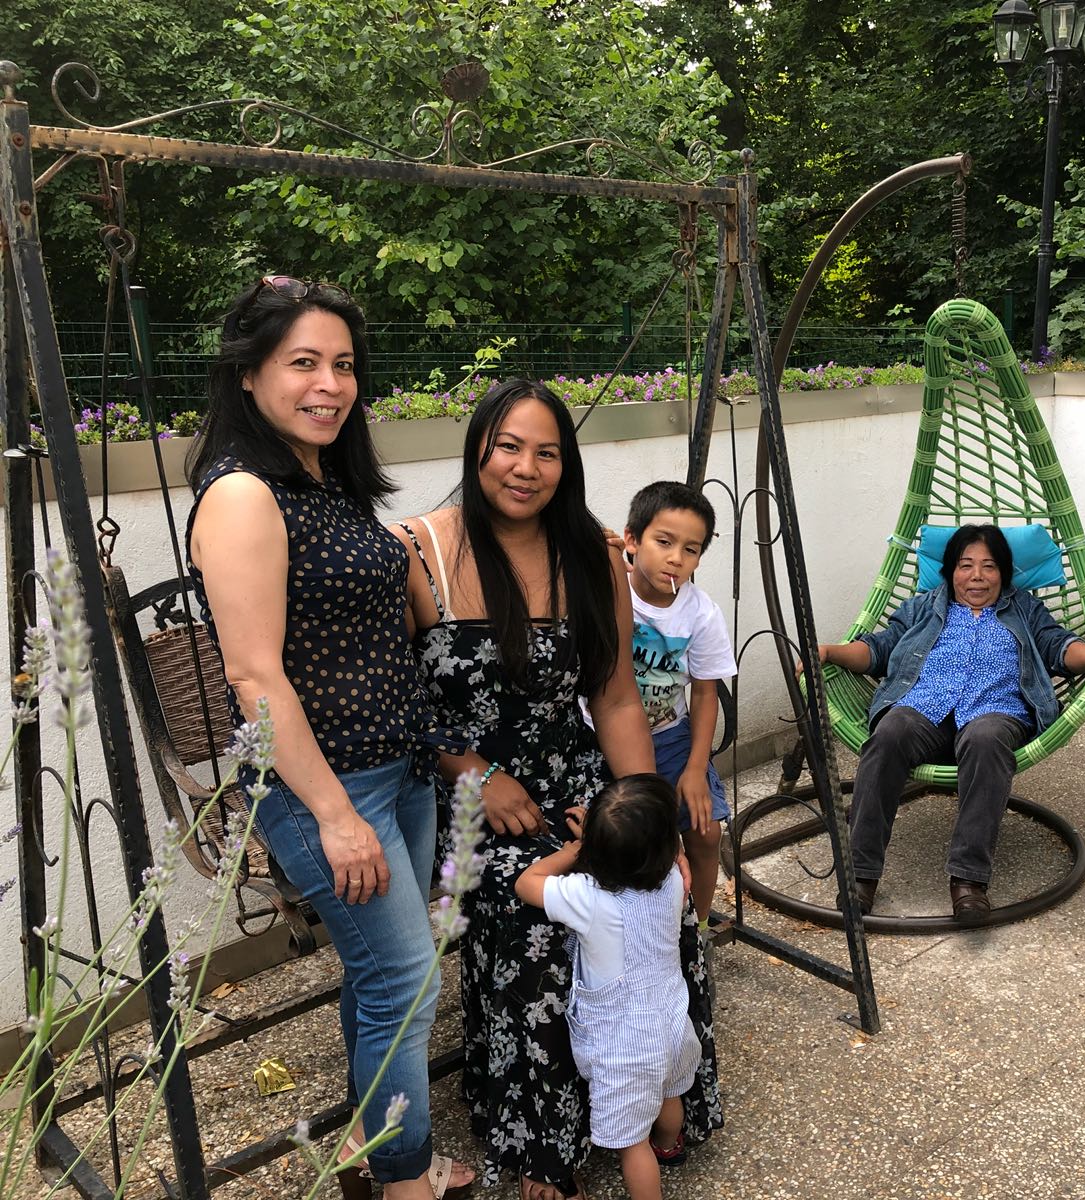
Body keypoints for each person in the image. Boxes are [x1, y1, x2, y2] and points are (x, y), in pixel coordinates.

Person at [391, 379, 722, 1200]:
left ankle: (656, 1095)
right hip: (470, 797)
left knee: (653, 893)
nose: (526, 467)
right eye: (508, 446)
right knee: (536, 925)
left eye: (546, 452)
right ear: (477, 448)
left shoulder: (594, 555)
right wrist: (474, 772)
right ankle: (547, 1138)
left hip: (575, 779)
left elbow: (614, 697)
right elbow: (400, 703)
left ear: (566, 465)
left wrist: (649, 820)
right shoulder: (418, 553)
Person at [184, 276, 474, 1199]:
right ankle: (404, 1178)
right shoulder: (242, 496)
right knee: (408, 984)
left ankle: (367, 1151)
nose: (330, 384)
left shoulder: (323, 480)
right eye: (303, 362)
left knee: (383, 978)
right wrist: (336, 816)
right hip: (331, 788)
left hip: (400, 767)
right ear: (248, 375)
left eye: (343, 365)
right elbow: (254, 677)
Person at [816, 523, 1085, 924]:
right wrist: (828, 651)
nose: (977, 576)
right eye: (966, 565)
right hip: (924, 708)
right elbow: (876, 650)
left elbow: (1059, 648)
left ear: (1003, 572)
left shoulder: (1024, 609)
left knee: (985, 739)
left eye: (989, 566)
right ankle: (860, 875)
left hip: (995, 711)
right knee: (889, 734)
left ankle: (968, 880)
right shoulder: (924, 607)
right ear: (951, 570)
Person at [515, 774, 703, 1200]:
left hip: (624, 1046)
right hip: (673, 1020)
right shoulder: (673, 879)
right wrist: (607, 842)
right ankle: (669, 1145)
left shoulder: (587, 898)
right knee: (669, 1093)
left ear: (596, 852)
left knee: (632, 1146)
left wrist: (574, 851)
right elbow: (654, 847)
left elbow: (526, 883)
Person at [620, 481, 737, 926]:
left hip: (670, 736)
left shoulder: (701, 614)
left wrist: (695, 767)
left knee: (706, 832)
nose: (676, 558)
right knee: (632, 837)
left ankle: (699, 928)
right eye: (664, 542)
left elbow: (705, 692)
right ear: (633, 539)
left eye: (691, 549)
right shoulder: (610, 588)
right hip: (600, 734)